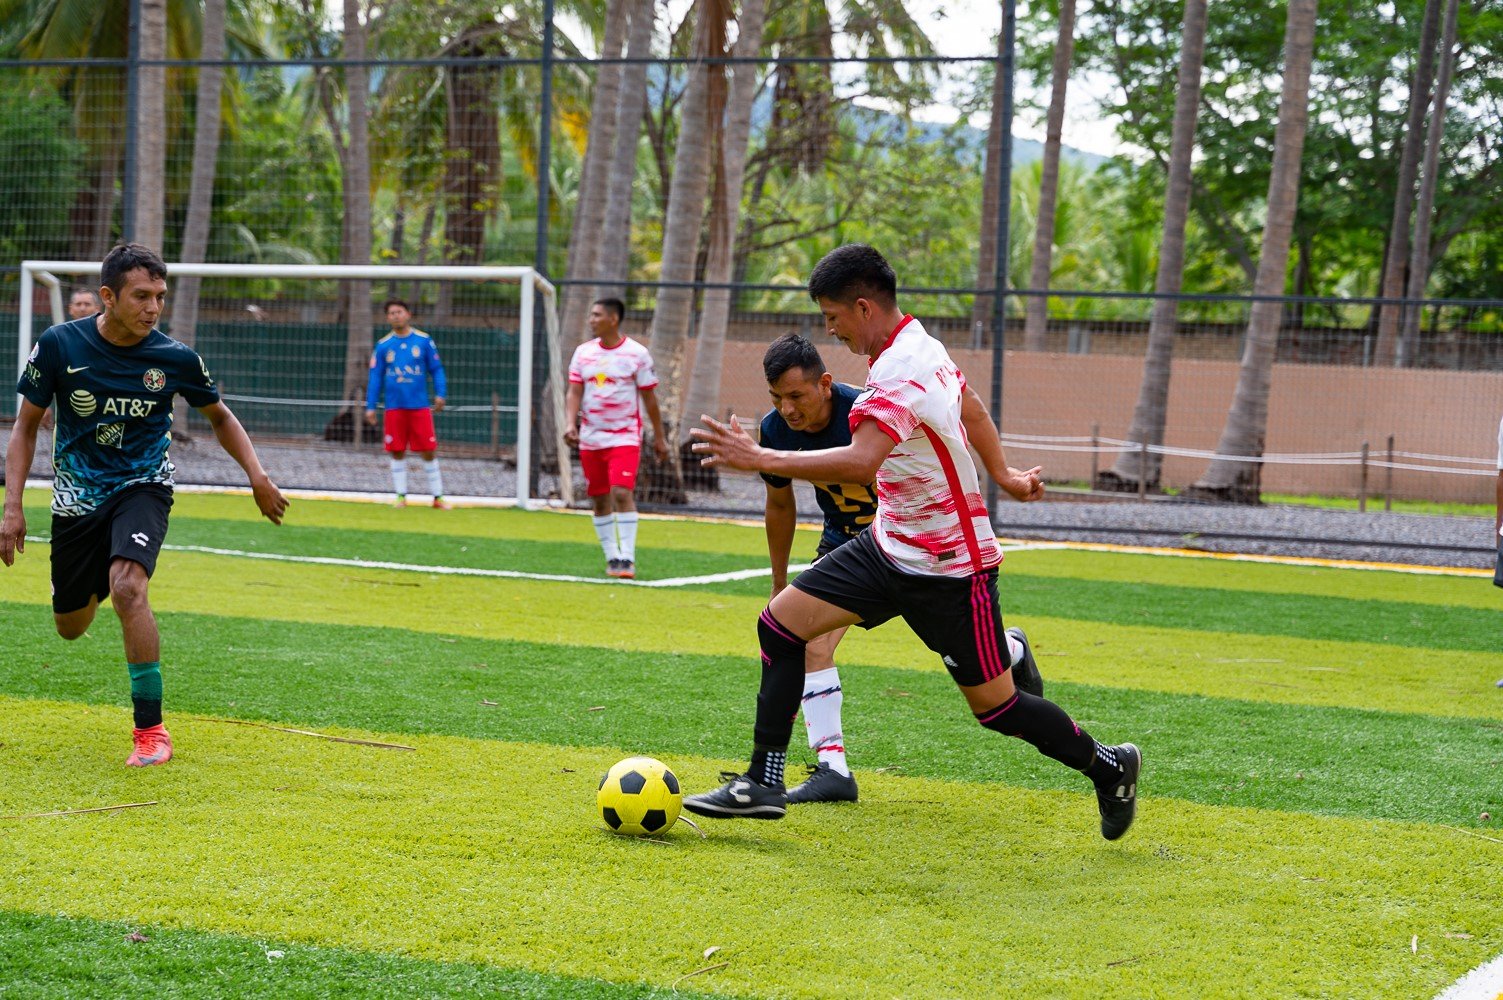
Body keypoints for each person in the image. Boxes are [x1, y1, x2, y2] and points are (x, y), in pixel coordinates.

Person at [685, 244, 1140, 841]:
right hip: (888, 545)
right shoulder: (920, 347)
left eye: (833, 316)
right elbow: (970, 406)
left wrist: (758, 457)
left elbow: (861, 461)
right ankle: (764, 782)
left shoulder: (901, 369)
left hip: (951, 566)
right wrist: (1002, 474)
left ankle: (1111, 766)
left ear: (864, 307)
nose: (831, 329)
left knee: (998, 710)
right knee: (780, 624)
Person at [1, 243, 289, 767]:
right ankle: (89, 577)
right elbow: (23, 428)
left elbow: (219, 417)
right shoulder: (60, 345)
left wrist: (258, 475)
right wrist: (12, 506)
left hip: (144, 485)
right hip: (75, 498)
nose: (153, 307)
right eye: (141, 296)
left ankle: (151, 732)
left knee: (130, 587)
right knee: (71, 625)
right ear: (107, 297)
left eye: (160, 296)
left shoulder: (175, 358)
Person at [757, 332, 1045, 805]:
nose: (787, 409)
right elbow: (779, 507)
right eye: (776, 398)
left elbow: (960, 410)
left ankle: (1009, 649)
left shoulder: (869, 405)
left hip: (907, 547)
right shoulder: (774, 430)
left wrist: (1004, 474)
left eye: (796, 396)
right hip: (844, 548)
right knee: (805, 638)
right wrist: (777, 583)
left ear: (825, 384)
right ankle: (832, 768)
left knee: (967, 660)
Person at [564, 297, 670, 579]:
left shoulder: (637, 354)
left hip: (624, 437)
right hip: (590, 438)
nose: (591, 320)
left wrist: (659, 437)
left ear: (613, 319)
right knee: (598, 498)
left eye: (597, 315)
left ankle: (628, 558)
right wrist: (569, 424)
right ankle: (611, 556)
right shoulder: (582, 353)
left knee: (621, 492)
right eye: (591, 314)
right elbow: (574, 392)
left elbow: (650, 398)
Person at [364, 299, 451, 509]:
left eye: (399, 312)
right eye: (391, 313)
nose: (396, 316)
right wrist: (370, 406)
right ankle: (401, 496)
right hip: (394, 407)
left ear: (408, 314)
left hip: (419, 406)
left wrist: (441, 394)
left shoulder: (423, 341)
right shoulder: (384, 345)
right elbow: (375, 376)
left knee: (428, 449)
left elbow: (436, 369)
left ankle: (438, 497)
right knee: (397, 450)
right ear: (387, 317)